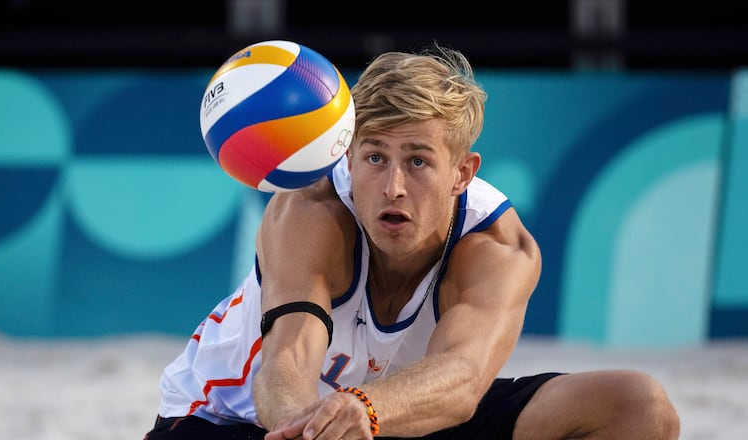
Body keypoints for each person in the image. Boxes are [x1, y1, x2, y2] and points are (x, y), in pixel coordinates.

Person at [144, 43, 680, 440]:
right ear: (348, 155)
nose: (393, 187)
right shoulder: (309, 210)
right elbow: (287, 363)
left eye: (418, 161)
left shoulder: (497, 246)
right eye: (375, 157)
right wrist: (307, 428)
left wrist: (364, 410)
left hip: (383, 417)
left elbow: (461, 380)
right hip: (229, 419)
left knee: (639, 407)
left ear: (462, 173)